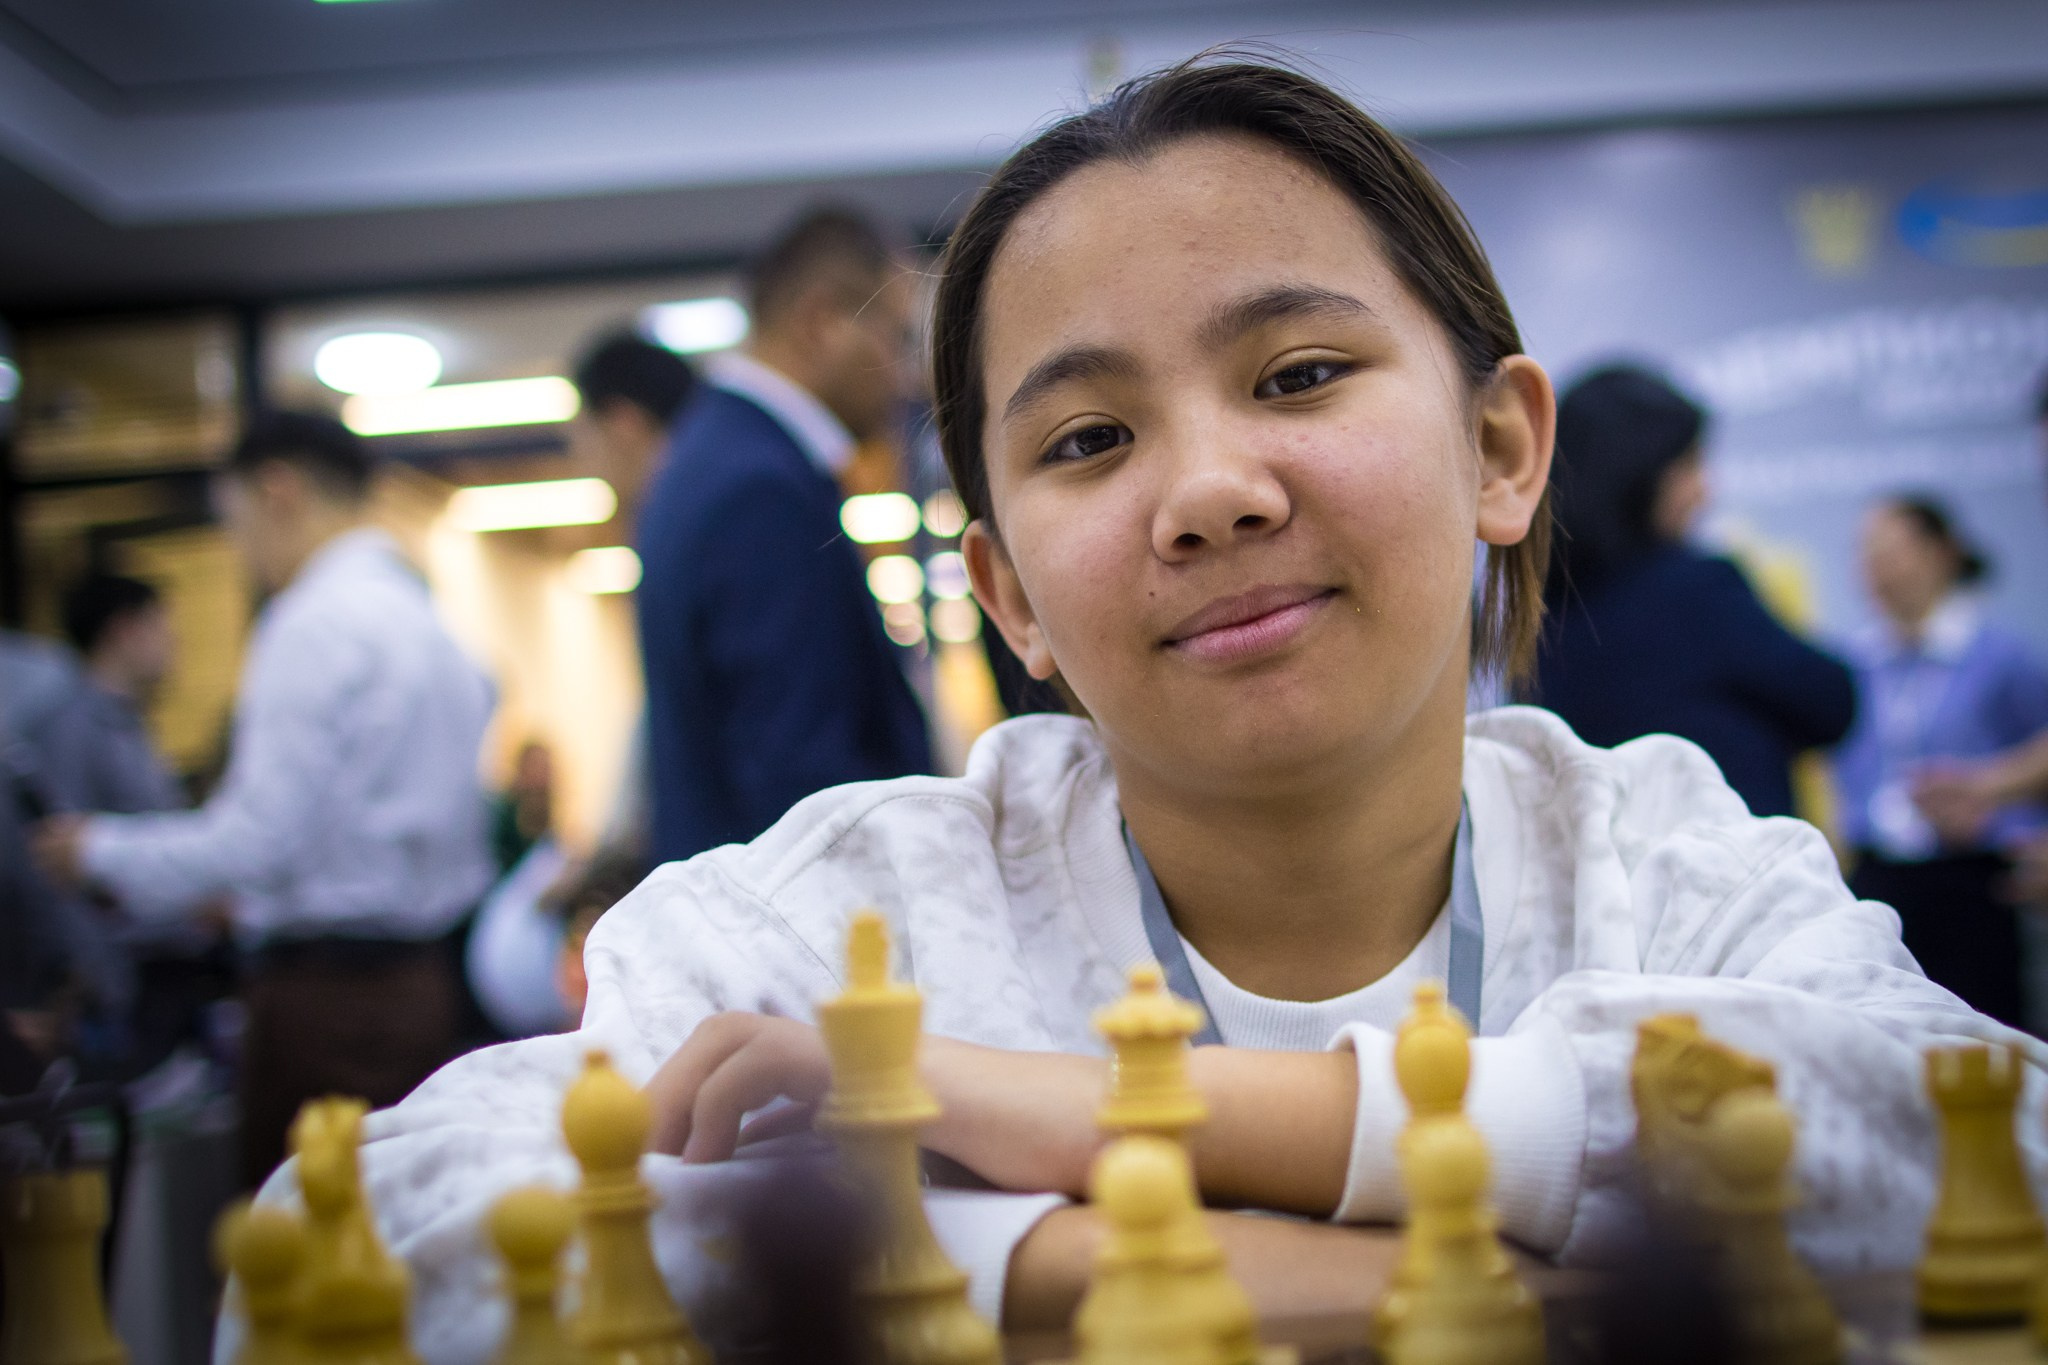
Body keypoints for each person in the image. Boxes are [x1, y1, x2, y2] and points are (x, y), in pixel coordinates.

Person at [228, 62, 2014, 1356]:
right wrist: (1084, 1266)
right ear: (1006, 593)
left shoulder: (1662, 856)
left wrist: (1071, 1117)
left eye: (1297, 374)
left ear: (1497, 448)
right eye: (1087, 439)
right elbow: (337, 1243)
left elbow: (1985, 1142)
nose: (1207, 492)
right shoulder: (846, 910)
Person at [31, 411, 497, 1187]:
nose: (241, 548)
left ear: (278, 491)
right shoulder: (430, 622)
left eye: (234, 520)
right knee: (404, 1251)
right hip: (424, 985)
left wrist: (94, 851)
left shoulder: (313, 622)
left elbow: (256, 839)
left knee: (302, 1268)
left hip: (327, 1002)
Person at [635, 207, 932, 862]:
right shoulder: (759, 488)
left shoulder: (720, 456)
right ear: (822, 321)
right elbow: (803, 781)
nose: (905, 374)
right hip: (799, 937)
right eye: (895, 336)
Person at [1531, 365, 1857, 817]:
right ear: (1634, 473)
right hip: (1737, 876)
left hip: (1602, 881)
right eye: (1687, 466)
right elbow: (1832, 702)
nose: (1703, 490)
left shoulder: (1538, 614)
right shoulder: (1698, 591)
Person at [1833, 495, 2048, 1028]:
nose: (1876, 570)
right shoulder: (1854, 662)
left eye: (1891, 552)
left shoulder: (2001, 656)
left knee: (1989, 1031)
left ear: (1941, 554)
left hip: (1975, 877)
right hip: (1881, 872)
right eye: (1867, 555)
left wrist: (1994, 800)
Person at [40, 573, 227, 1071]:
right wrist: (99, 986)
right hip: (128, 985)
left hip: (167, 964)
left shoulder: (128, 722)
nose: (175, 644)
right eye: (163, 627)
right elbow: (61, 860)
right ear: (124, 630)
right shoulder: (74, 728)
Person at [568, 330, 699, 534]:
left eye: (585, 436)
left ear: (623, 423)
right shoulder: (694, 509)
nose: (583, 460)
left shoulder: (685, 527)